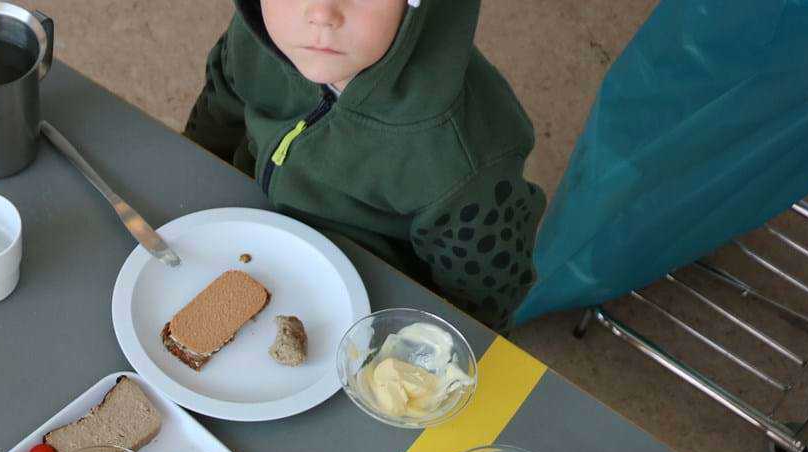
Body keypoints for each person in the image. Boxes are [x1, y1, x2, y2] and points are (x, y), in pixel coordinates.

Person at [184, 0, 546, 329]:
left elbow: (484, 301)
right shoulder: (260, 37)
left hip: (366, 313)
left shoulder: (467, 158)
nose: (322, 12)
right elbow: (215, 117)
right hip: (240, 242)